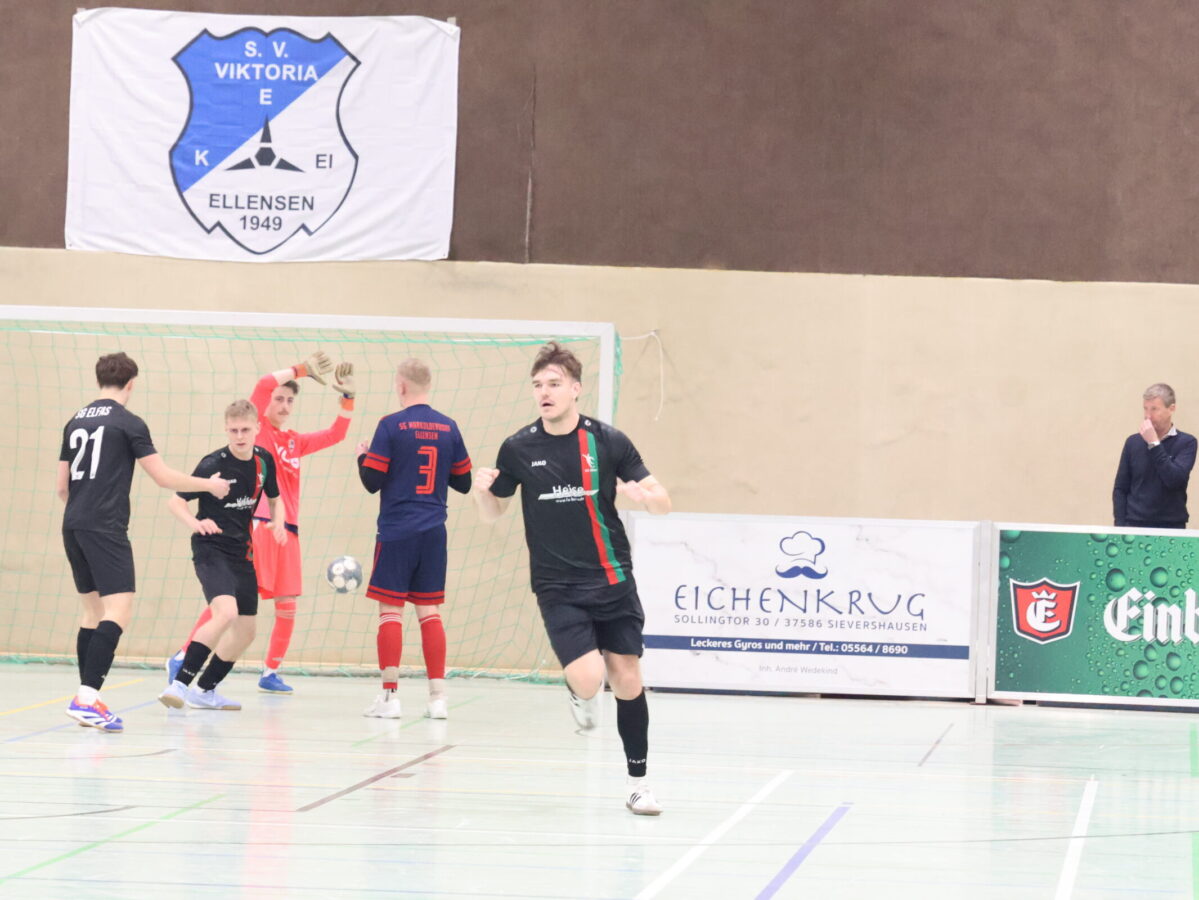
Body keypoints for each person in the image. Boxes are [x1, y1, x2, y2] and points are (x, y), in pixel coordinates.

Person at [471, 341, 671, 816]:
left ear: (576, 389)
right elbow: (494, 513)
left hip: (612, 578)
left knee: (627, 680)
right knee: (587, 679)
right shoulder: (518, 447)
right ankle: (580, 694)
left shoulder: (608, 441)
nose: (545, 392)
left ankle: (639, 784)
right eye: (538, 385)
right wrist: (481, 493)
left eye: (554, 384)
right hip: (557, 586)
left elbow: (663, 501)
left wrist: (647, 499)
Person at [57, 352, 230, 732]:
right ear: (131, 383)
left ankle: (88, 699)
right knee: (118, 610)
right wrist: (208, 485)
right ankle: (86, 698)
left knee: (91, 613)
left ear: (99, 379)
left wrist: (83, 513)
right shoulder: (128, 422)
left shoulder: (75, 421)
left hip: (73, 524)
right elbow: (163, 477)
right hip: (105, 527)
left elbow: (62, 487)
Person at [169, 351, 354, 694]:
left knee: (287, 603)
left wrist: (348, 398)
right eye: (278, 399)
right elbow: (265, 383)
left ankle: (270, 672)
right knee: (231, 602)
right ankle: (182, 657)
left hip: (288, 529)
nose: (283, 405)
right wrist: (302, 369)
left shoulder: (294, 441)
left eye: (289, 400)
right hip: (260, 526)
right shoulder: (258, 432)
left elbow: (336, 434)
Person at [356, 359, 472, 719]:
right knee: (429, 611)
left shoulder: (390, 425)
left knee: (391, 610)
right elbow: (464, 482)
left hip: (396, 530)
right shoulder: (449, 427)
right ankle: (438, 699)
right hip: (434, 532)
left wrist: (362, 457)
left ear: (401, 386)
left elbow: (371, 481)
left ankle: (390, 698)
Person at [159, 400, 286, 711]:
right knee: (225, 613)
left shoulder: (264, 461)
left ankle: (205, 691)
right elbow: (176, 502)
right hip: (210, 548)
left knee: (246, 631)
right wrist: (196, 523)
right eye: (233, 430)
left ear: (257, 428)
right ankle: (179, 684)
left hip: (241, 553)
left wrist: (278, 523)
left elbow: (275, 498)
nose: (239, 436)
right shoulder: (212, 465)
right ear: (226, 430)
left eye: (245, 430)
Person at [1113, 383, 1197, 529]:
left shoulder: (1187, 443)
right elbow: (1121, 488)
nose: (1148, 416)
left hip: (1172, 526)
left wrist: (1154, 444)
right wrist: (1120, 526)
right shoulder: (1133, 442)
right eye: (1145, 409)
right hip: (1135, 524)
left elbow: (1174, 481)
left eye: (1154, 409)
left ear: (1171, 409)